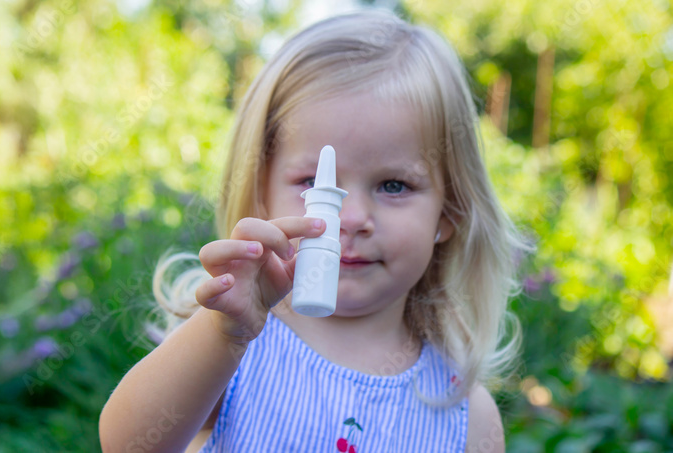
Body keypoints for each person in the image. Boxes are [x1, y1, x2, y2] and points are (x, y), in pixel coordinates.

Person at [100, 8, 528, 453]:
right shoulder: (233, 345)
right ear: (260, 190)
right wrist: (223, 332)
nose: (351, 217)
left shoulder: (465, 413)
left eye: (394, 185)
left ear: (449, 211)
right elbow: (127, 446)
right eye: (312, 183)